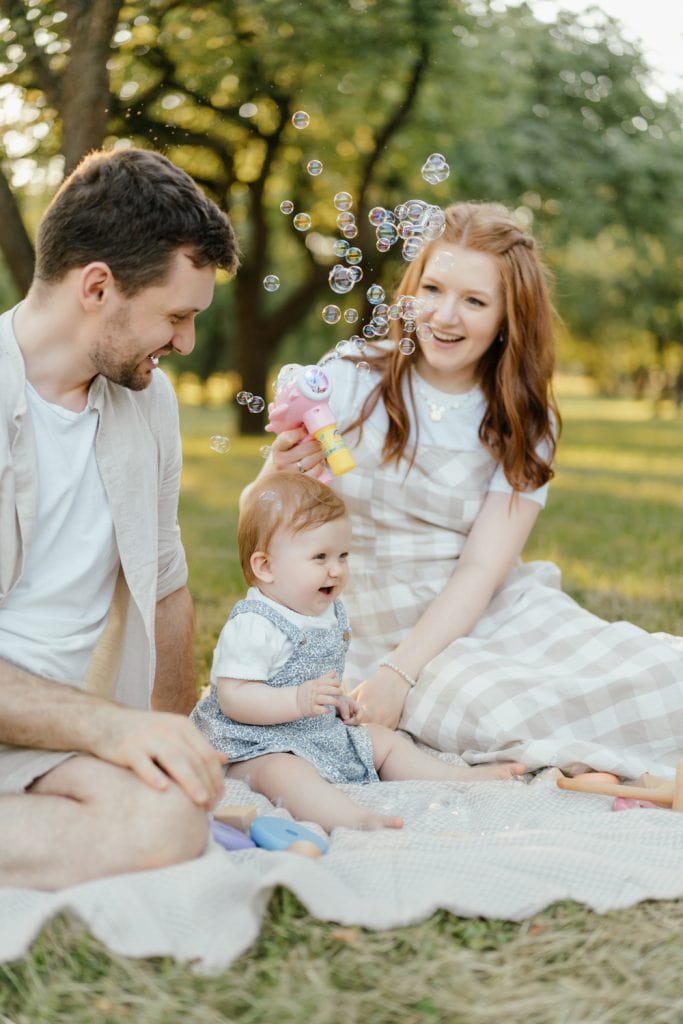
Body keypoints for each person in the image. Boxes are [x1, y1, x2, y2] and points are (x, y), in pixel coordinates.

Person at [251, 200, 683, 782]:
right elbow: (258, 527)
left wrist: (398, 676)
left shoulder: (522, 420)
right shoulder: (352, 375)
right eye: (431, 289)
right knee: (499, 709)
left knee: (657, 674)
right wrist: (274, 475)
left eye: (475, 301)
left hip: (482, 613)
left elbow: (481, 571)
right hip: (375, 628)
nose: (444, 316)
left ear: (509, 316)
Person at [0, 147, 239, 889]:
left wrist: (178, 745)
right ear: (98, 286)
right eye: (176, 316)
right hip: (67, 724)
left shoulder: (148, 402)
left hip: (53, 737)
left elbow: (165, 585)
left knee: (168, 817)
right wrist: (112, 727)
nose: (186, 342)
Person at [191, 472, 525, 832]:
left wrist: (337, 701)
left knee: (382, 740)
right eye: (320, 557)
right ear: (266, 566)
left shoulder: (325, 611)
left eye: (343, 555)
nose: (336, 570)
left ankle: (457, 778)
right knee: (283, 772)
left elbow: (314, 676)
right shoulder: (255, 624)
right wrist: (298, 700)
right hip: (254, 743)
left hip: (311, 730)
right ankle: (354, 819)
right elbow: (234, 697)